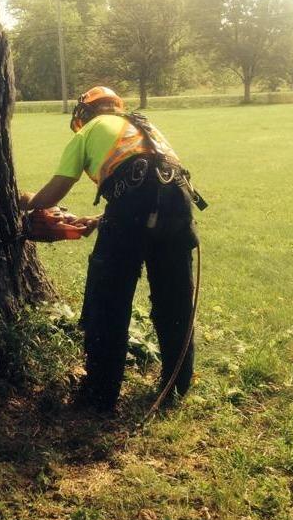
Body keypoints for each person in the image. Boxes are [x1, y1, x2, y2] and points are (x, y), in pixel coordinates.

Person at [23, 86, 202, 413]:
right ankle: (177, 385)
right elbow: (154, 188)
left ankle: (99, 395)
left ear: (86, 113)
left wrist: (26, 202)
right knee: (175, 298)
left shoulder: (88, 131)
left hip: (132, 206)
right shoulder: (143, 126)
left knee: (107, 300)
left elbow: (54, 193)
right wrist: (104, 219)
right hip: (179, 204)